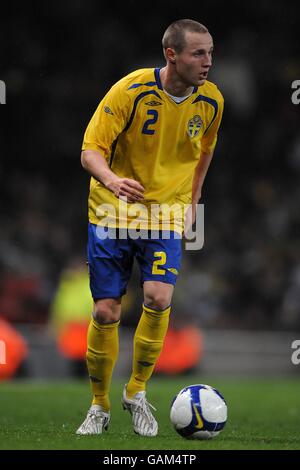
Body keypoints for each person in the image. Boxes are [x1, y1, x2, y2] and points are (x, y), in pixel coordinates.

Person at [76, 18, 224, 437]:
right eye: (198, 53)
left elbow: (205, 152)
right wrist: (112, 180)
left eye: (211, 52)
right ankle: (99, 406)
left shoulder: (212, 101)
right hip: (112, 210)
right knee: (106, 310)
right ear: (171, 55)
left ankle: (136, 392)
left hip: (165, 214)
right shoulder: (131, 90)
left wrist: (193, 201)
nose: (208, 61)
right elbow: (90, 151)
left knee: (158, 298)